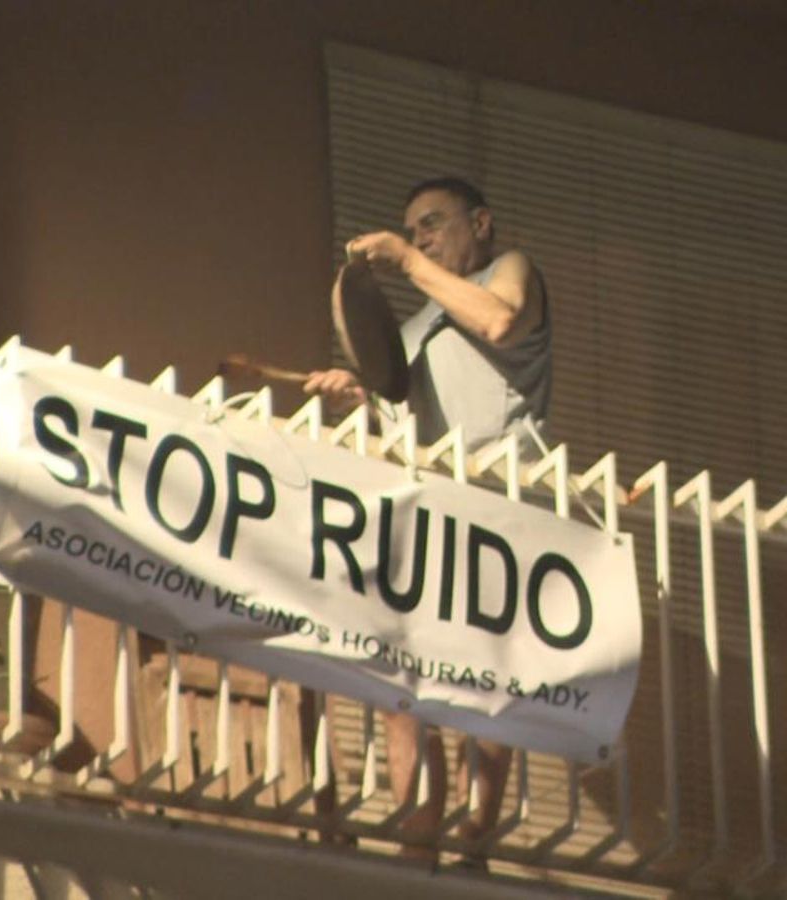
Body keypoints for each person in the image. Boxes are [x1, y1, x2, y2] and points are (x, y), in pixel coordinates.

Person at [303, 176, 553, 866]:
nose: (421, 240)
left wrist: (410, 265)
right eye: (413, 231)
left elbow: (500, 321)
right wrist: (356, 391)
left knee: (485, 673)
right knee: (402, 676)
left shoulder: (510, 270)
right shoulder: (418, 327)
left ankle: (476, 827)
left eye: (434, 224)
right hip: (430, 514)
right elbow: (398, 413)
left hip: (500, 510)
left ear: (482, 222)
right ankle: (422, 826)